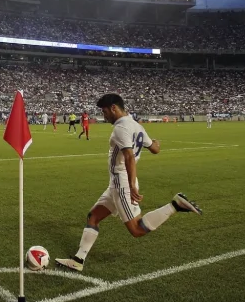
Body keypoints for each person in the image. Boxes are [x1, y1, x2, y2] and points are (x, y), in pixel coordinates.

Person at [55, 93, 202, 273]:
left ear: (114, 108)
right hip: (117, 183)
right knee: (93, 217)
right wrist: (156, 142)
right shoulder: (136, 125)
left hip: (122, 183)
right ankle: (78, 260)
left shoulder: (121, 128)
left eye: (105, 111)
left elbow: (129, 156)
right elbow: (155, 149)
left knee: (136, 229)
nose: (104, 115)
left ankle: (175, 205)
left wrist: (131, 185)